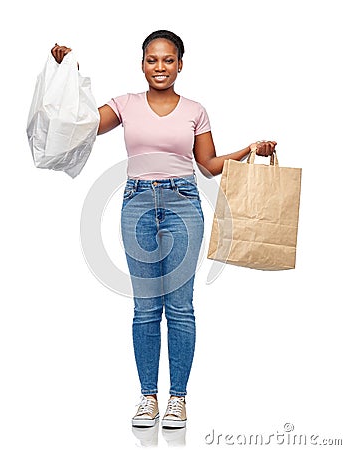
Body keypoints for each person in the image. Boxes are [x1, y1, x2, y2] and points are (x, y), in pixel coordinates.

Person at [51, 30, 276, 429]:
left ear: (180, 64)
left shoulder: (195, 110)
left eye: (168, 60)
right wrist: (70, 71)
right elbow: (82, 123)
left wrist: (249, 150)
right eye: (152, 60)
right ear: (142, 64)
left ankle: (178, 399)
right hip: (136, 205)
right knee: (144, 309)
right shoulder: (124, 105)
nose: (160, 67)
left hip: (183, 205)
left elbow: (207, 164)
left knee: (181, 308)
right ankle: (147, 397)